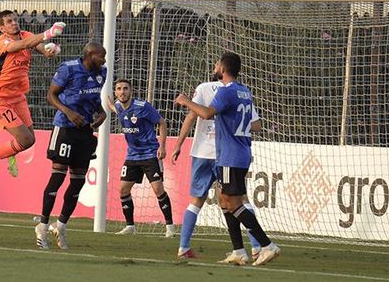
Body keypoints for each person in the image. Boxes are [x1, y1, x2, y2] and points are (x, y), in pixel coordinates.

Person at [174, 52, 281, 267]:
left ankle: (267, 245)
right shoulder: (244, 91)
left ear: (222, 68)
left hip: (229, 155)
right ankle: (239, 251)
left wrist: (186, 101)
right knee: (225, 199)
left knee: (234, 203)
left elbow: (206, 114)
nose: (214, 66)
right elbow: (252, 122)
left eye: (216, 63)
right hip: (239, 153)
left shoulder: (225, 91)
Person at [0, 10, 65, 185]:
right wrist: (48, 33)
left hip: (17, 97)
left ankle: (10, 153)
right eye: (9, 21)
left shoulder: (26, 35)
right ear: (2, 28)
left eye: (15, 20)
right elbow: (21, 45)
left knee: (30, 139)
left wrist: (52, 49)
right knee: (25, 140)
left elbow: (42, 50)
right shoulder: (3, 43)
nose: (14, 23)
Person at [35, 42, 107, 250]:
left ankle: (62, 226)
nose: (104, 59)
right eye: (101, 55)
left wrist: (101, 112)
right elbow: (51, 95)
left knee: (77, 183)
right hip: (65, 128)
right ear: (89, 55)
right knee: (57, 177)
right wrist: (68, 112)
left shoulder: (102, 72)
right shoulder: (69, 68)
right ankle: (42, 225)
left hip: (85, 132)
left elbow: (95, 100)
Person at [105, 79, 176, 238]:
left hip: (150, 153)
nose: (122, 92)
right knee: (123, 189)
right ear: (115, 92)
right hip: (132, 156)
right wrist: (108, 103)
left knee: (158, 190)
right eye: (119, 89)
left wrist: (163, 146)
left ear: (131, 91)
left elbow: (161, 122)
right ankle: (130, 226)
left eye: (125, 89)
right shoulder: (117, 106)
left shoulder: (142, 107)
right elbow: (114, 108)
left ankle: (170, 227)